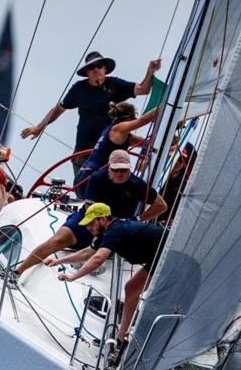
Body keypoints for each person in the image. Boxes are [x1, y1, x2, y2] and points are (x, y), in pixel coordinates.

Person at [12, 150, 166, 279]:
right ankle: (18, 271)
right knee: (58, 239)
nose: (120, 173)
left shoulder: (137, 184)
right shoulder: (97, 178)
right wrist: (97, 233)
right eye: (116, 170)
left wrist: (138, 219)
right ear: (109, 167)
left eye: (124, 170)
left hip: (116, 226)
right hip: (91, 217)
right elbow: (89, 208)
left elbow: (161, 205)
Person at [20, 51, 162, 174]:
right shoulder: (79, 89)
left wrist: (150, 71)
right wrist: (39, 127)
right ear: (86, 72)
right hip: (83, 153)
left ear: (105, 68)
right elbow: (59, 108)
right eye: (91, 67)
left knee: (110, 190)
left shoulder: (115, 84)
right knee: (85, 191)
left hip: (110, 152)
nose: (95, 69)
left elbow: (143, 89)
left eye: (99, 65)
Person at [45, 203, 166, 345]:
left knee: (141, 292)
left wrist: (73, 276)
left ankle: (144, 340)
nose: (88, 228)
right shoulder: (108, 232)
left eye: (91, 223)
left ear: (103, 219)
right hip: (159, 257)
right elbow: (87, 253)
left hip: (169, 255)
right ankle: (121, 339)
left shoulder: (115, 230)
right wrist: (58, 261)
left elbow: (97, 259)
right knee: (131, 289)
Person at [73, 102, 159, 197]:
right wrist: (164, 106)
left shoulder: (120, 133)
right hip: (89, 180)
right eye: (133, 118)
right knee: (134, 187)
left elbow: (148, 143)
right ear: (128, 118)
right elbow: (144, 120)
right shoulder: (118, 129)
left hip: (84, 180)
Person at [158, 142, 197, 225]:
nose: (175, 162)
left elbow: (186, 208)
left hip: (163, 223)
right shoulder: (157, 175)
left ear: (183, 164)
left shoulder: (183, 185)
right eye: (173, 158)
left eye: (179, 160)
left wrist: (174, 220)